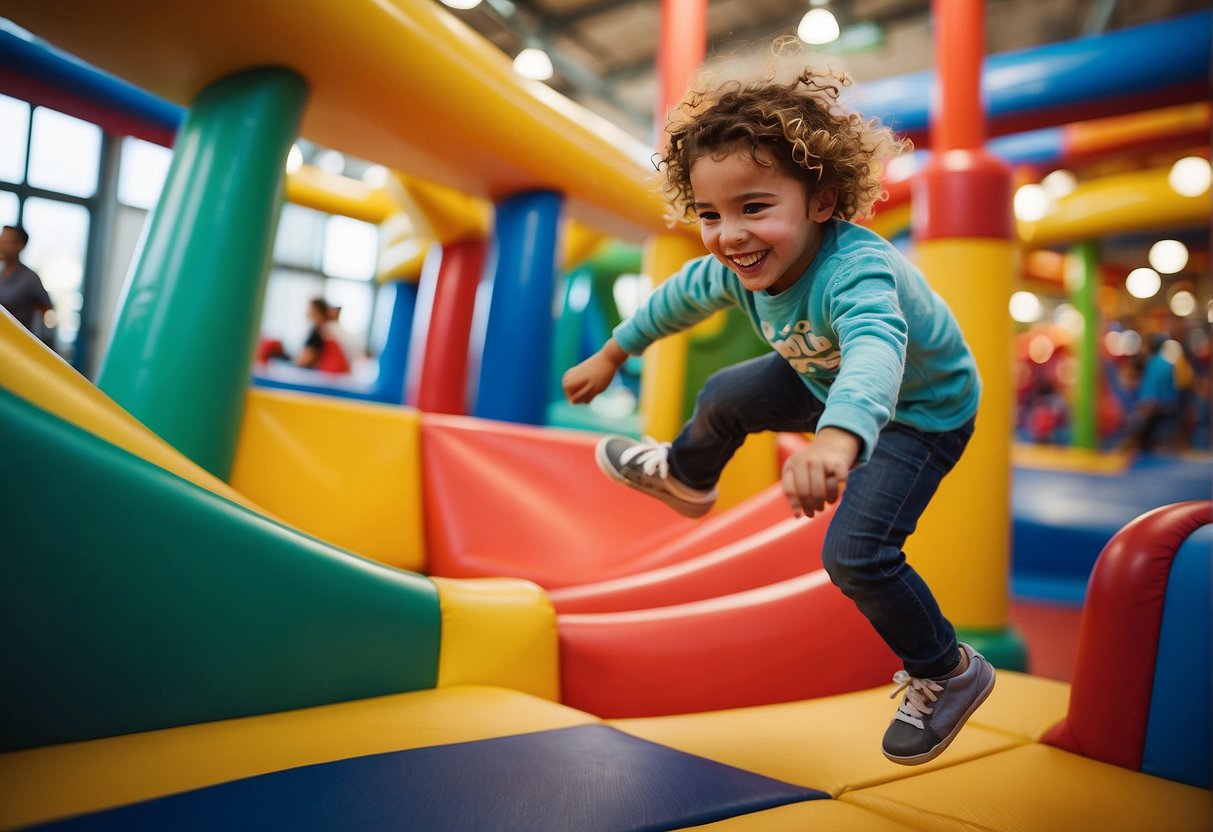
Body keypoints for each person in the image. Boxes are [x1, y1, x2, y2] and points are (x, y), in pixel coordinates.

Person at [562, 64, 993, 766]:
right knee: (726, 393)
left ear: (821, 201)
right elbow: (679, 296)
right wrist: (614, 352)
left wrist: (835, 441)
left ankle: (947, 670)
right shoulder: (739, 266)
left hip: (921, 412)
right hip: (825, 382)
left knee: (856, 556)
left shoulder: (854, 271)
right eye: (710, 214)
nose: (730, 235)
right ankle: (687, 476)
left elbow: (874, 352)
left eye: (754, 207)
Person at [0, 225, 54, 342]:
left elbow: (48, 309)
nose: (1, 245)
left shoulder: (30, 278)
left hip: (16, 342)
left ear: (20, 246)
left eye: (6, 242)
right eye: (1, 240)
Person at [295, 296, 350, 374]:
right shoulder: (330, 329)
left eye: (309, 309)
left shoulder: (320, 332)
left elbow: (304, 361)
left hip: (330, 376)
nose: (306, 312)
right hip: (339, 375)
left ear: (316, 311)